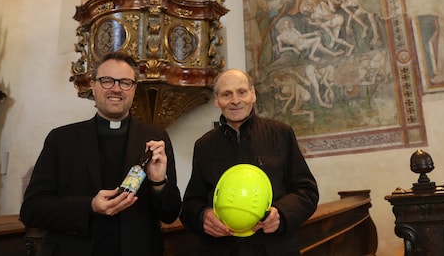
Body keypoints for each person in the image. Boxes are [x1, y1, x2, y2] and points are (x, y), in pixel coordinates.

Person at [20, 51, 182, 256]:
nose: (116, 88)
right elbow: (32, 210)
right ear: (93, 86)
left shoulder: (155, 139)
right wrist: (90, 206)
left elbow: (170, 214)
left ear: (133, 89)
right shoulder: (61, 139)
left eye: (125, 82)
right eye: (107, 81)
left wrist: (159, 183)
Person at [180, 69, 319, 256]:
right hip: (222, 250)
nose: (235, 100)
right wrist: (202, 216)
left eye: (242, 92)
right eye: (226, 94)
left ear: (253, 94)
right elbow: (190, 204)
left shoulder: (281, 133)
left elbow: (307, 192)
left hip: (275, 248)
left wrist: (282, 214)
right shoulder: (204, 146)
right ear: (217, 100)